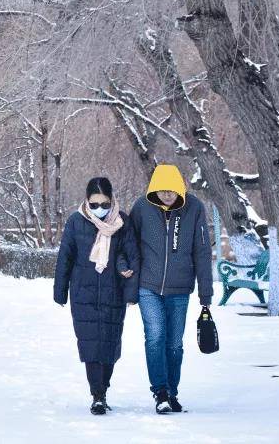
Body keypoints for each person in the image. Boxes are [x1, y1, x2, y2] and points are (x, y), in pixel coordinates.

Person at [130, 164, 214, 414]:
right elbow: (130, 245)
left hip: (180, 288)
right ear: (154, 189)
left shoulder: (194, 208)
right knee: (155, 336)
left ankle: (172, 391)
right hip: (149, 286)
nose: (167, 195)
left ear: (181, 189)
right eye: (162, 190)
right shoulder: (142, 207)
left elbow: (202, 251)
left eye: (172, 190)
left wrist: (205, 293)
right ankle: (161, 392)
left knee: (174, 343)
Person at [54, 176, 138, 415]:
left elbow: (132, 255)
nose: (99, 209)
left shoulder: (123, 222)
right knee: (90, 344)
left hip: (113, 292)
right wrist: (60, 291)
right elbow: (65, 258)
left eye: (104, 204)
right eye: (94, 204)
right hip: (83, 293)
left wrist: (130, 292)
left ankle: (104, 387)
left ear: (112, 201)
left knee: (109, 344)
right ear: (86, 202)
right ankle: (97, 394)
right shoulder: (75, 222)